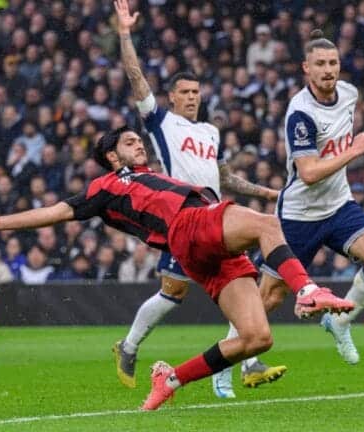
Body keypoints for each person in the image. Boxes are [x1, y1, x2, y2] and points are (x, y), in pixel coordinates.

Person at [0, 126, 354, 411]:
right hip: (187, 224)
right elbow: (56, 212)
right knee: (267, 224)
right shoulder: (106, 186)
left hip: (200, 249)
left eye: (137, 138)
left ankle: (171, 379)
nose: (138, 143)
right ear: (113, 156)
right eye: (129, 141)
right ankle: (305, 290)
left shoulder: (151, 174)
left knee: (256, 338)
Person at [111, 0, 285, 397]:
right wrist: (124, 33)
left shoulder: (210, 131)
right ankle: (131, 345)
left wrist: (268, 192)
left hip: (217, 219)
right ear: (171, 97)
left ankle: (247, 359)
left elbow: (225, 179)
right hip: (183, 222)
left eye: (196, 92)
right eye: (185, 92)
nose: (192, 98)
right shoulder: (161, 122)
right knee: (173, 293)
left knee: (245, 277)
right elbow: (136, 77)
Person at [212, 30, 364, 391]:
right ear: (306, 69)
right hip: (299, 215)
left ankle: (341, 322)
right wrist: (354, 151)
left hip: (340, 206)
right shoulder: (300, 113)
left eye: (333, 63)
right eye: (320, 64)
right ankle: (225, 360)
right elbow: (309, 173)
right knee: (268, 298)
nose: (328, 70)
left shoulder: (349, 94)